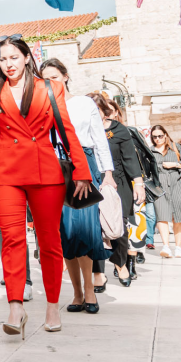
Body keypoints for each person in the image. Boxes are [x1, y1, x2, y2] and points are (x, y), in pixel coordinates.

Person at [0, 37, 92, 337]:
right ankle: (16, 306)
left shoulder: (49, 87)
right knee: (12, 240)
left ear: (27, 57)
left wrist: (81, 170)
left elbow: (66, 130)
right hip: (5, 175)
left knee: (49, 243)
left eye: (14, 57)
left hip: (46, 172)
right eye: (3, 59)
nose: (9, 64)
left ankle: (53, 305)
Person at [39, 60, 114, 313]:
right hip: (53, 168)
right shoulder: (42, 105)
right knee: (64, 233)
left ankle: (91, 291)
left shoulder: (83, 103)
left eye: (55, 76)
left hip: (84, 165)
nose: (51, 82)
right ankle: (77, 293)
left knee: (83, 229)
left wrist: (108, 173)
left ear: (66, 76)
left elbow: (99, 140)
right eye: (45, 78)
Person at [90, 93, 144, 284]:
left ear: (104, 111)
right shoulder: (83, 130)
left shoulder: (118, 129)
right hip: (92, 182)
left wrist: (138, 183)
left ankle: (120, 264)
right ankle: (98, 272)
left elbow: (130, 158)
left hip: (119, 182)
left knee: (119, 226)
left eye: (96, 109)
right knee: (94, 228)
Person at [148, 125, 181, 258]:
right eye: (155, 136)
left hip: (178, 186)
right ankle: (166, 246)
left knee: (179, 218)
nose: (158, 139)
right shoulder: (150, 151)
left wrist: (175, 164)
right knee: (162, 217)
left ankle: (178, 247)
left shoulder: (175, 147)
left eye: (160, 135)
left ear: (165, 134)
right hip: (159, 188)